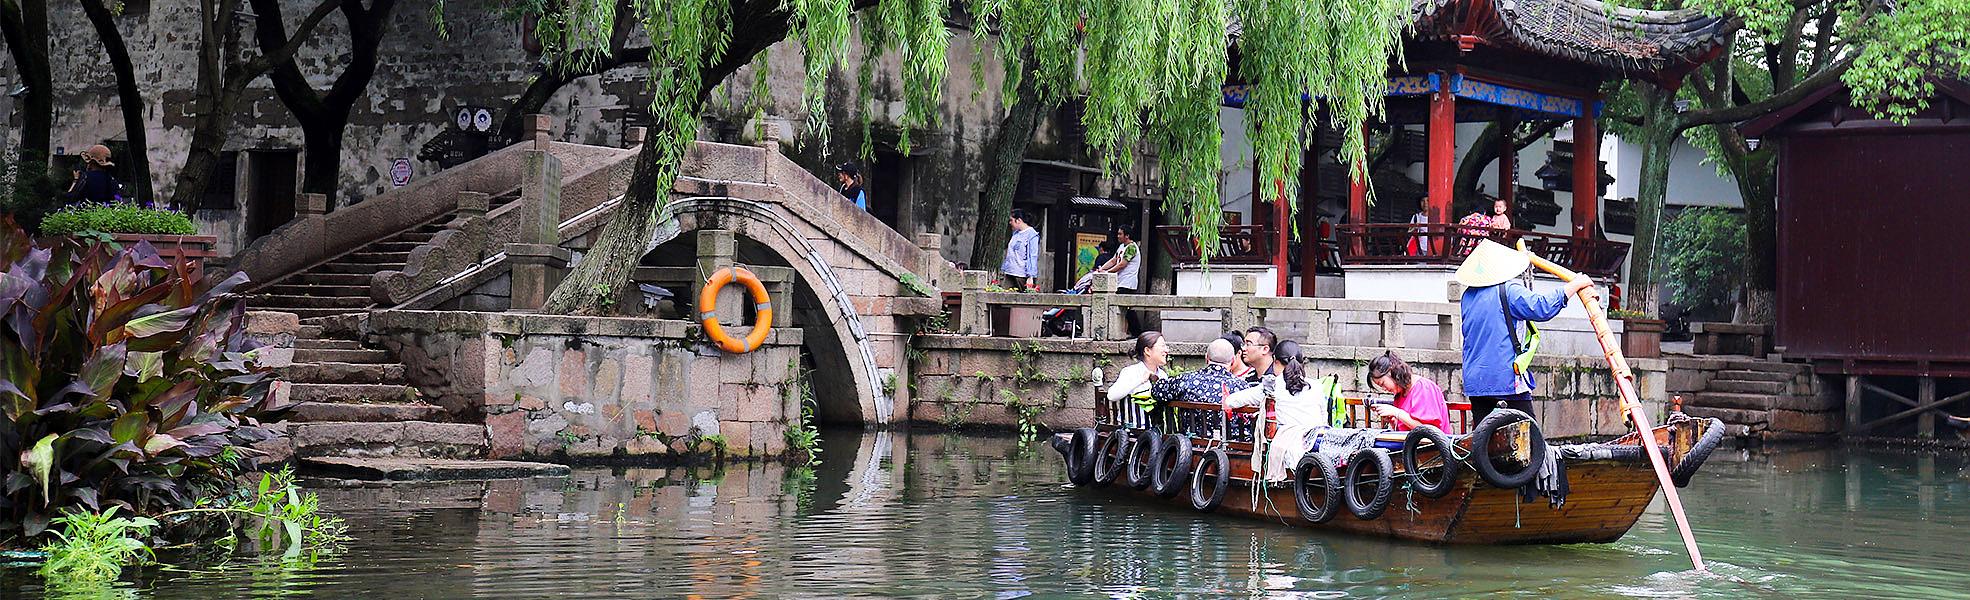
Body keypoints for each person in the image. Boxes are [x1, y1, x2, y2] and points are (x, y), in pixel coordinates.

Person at [1457, 239, 1592, 422]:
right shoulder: (1509, 290)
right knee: (1529, 434)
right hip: (1504, 375)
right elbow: (1542, 308)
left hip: (1476, 379)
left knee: (1483, 438)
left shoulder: (1468, 296)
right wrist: (1575, 284)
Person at [1223, 341, 1331, 481]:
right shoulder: (1317, 386)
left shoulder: (1272, 386)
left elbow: (1231, 401)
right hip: (1319, 439)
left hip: (1291, 444)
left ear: (1274, 360)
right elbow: (1324, 417)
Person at [1151, 338, 1252, 437]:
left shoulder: (1186, 380)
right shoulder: (1242, 387)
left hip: (1191, 445)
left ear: (1206, 357)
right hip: (1232, 447)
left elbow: (1157, 391)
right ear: (1233, 361)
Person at [1366, 351, 1449, 432]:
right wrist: (1393, 420)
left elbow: (1429, 431)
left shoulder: (1424, 387)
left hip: (1432, 444)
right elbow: (1407, 430)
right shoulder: (1400, 394)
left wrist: (1396, 412)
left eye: (1383, 383)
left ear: (1391, 372)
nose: (1384, 389)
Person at [1106, 331, 1169, 430]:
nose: (1166, 350)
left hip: (1157, 433)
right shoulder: (1131, 372)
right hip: (1132, 433)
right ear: (1147, 350)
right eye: (1162, 346)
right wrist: (1140, 380)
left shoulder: (1163, 375)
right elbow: (1112, 395)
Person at [999, 209, 1041, 291]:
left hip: (1021, 274)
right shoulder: (1016, 234)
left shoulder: (1032, 235)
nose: (1010, 223)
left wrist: (1030, 276)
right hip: (1010, 271)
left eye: (1011, 220)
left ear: (1018, 220)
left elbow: (1032, 256)